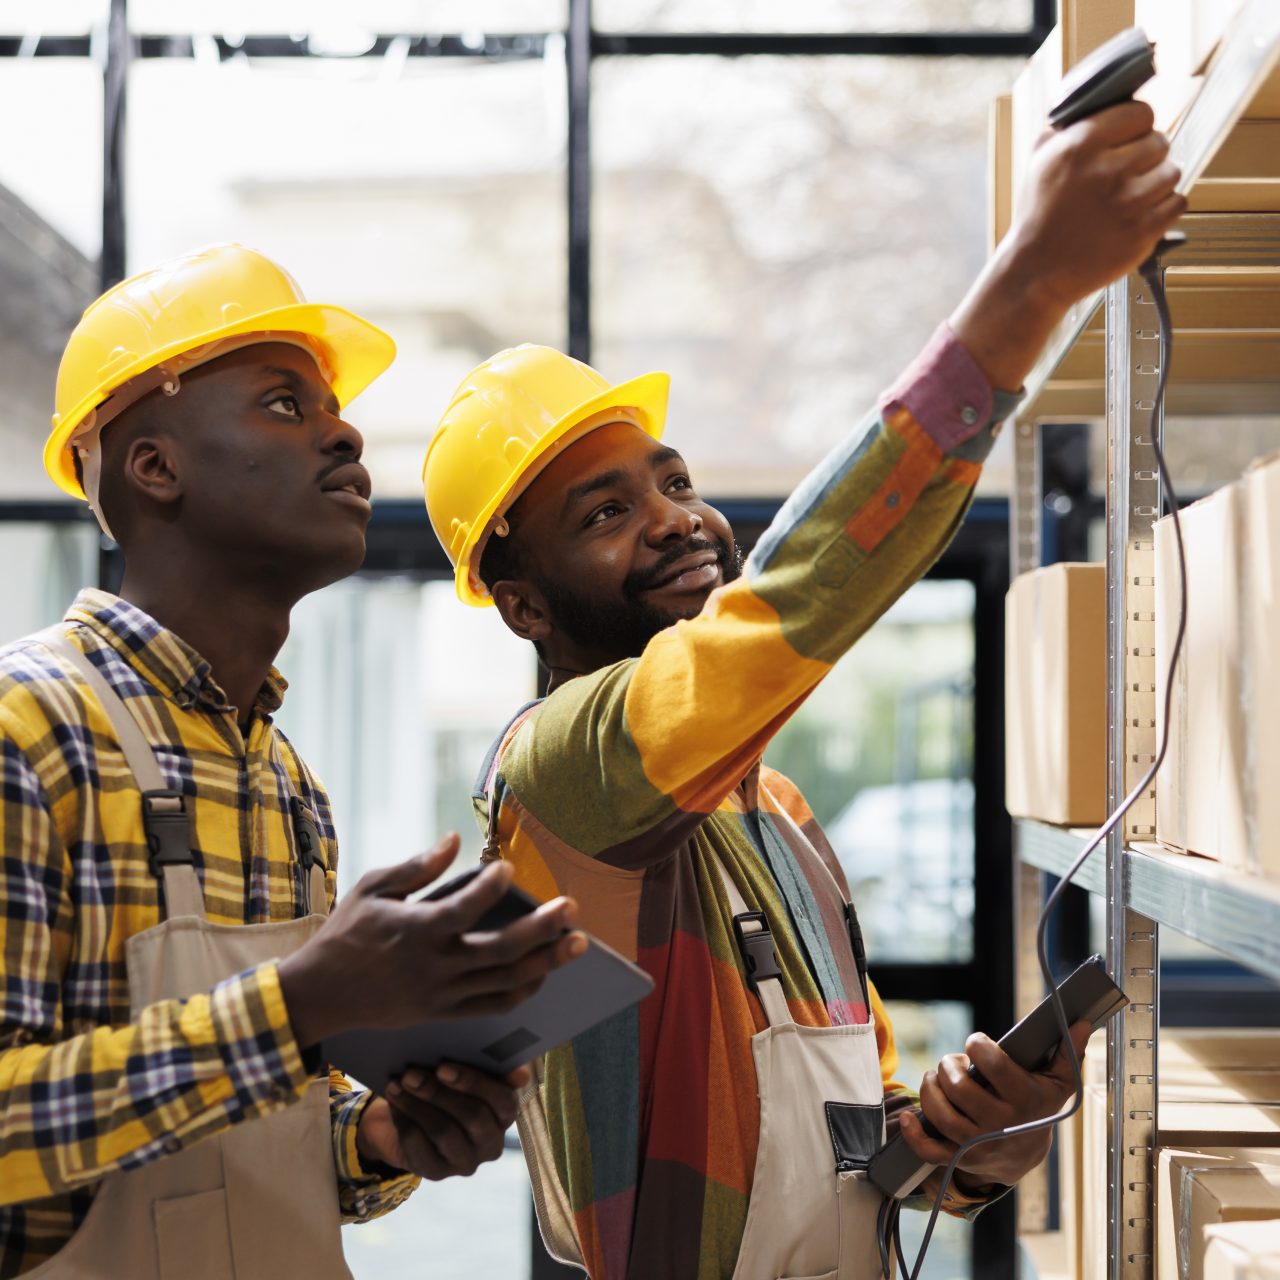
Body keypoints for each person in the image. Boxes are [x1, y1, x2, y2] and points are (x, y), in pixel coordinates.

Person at [420, 101, 1186, 1280]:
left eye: (670, 480)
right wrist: (1023, 289)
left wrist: (975, 1135)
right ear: (525, 607)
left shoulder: (777, 816)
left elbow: (876, 1163)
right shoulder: (556, 776)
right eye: (606, 512)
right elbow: (792, 603)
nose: (674, 517)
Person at [0, 244, 586, 1278]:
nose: (346, 429)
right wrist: (302, 1003)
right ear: (155, 466)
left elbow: (258, 1135)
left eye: (330, 406)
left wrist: (377, 1138)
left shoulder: (286, 786)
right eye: (284, 403)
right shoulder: (27, 729)